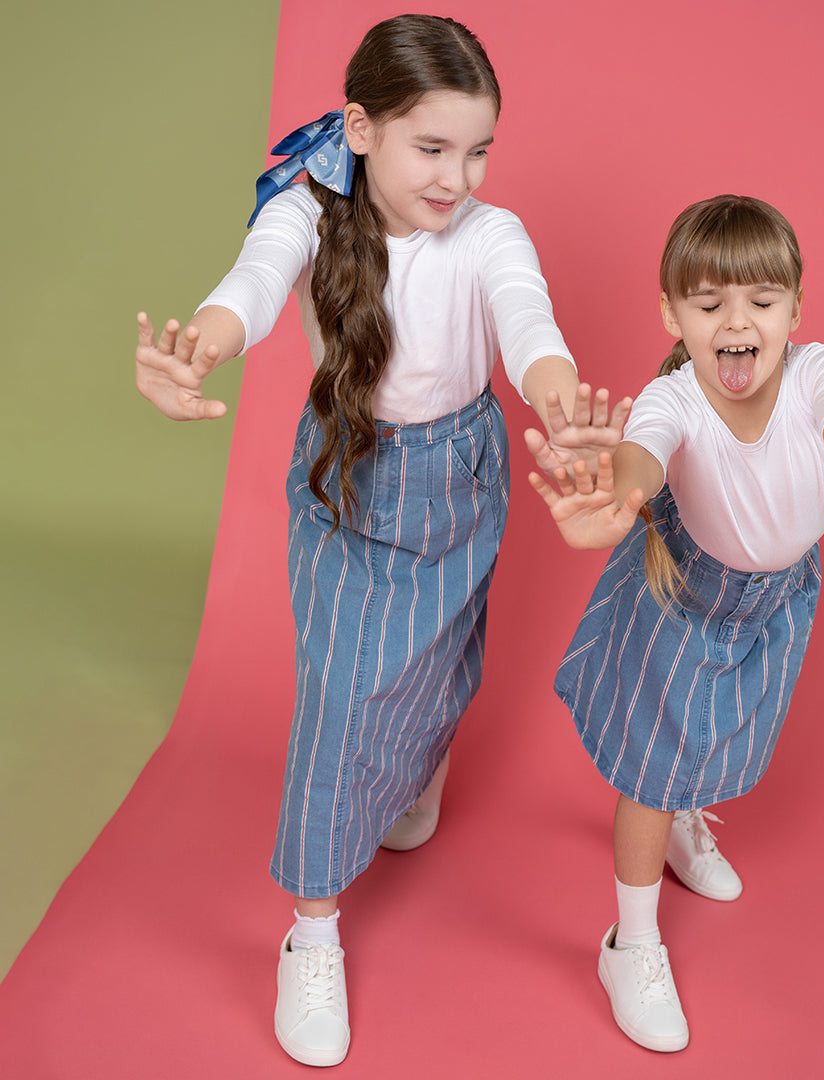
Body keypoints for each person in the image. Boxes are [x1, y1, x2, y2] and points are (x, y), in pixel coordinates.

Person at [135, 14, 627, 1068]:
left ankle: (417, 777)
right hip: (352, 477)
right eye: (433, 147)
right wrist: (198, 349)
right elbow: (254, 286)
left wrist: (562, 399)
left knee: (447, 661)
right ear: (361, 127)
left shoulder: (490, 233)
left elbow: (530, 326)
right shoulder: (310, 211)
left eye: (479, 149)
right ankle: (311, 932)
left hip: (464, 473)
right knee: (338, 697)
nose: (459, 175)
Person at [527, 194, 824, 1052]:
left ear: (796, 307)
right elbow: (643, 450)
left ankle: (688, 827)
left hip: (780, 597)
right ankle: (629, 944)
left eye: (760, 301)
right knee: (651, 766)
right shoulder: (673, 398)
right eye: (709, 304)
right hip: (687, 596)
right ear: (671, 313)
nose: (736, 323)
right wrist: (622, 491)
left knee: (720, 736)